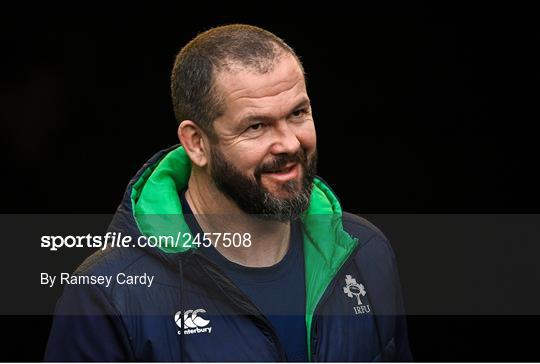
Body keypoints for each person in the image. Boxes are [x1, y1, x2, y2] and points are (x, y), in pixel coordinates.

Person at [45, 24, 412, 362]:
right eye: (256, 126)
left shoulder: (365, 254)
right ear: (196, 143)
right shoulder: (108, 295)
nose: (289, 143)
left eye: (298, 113)